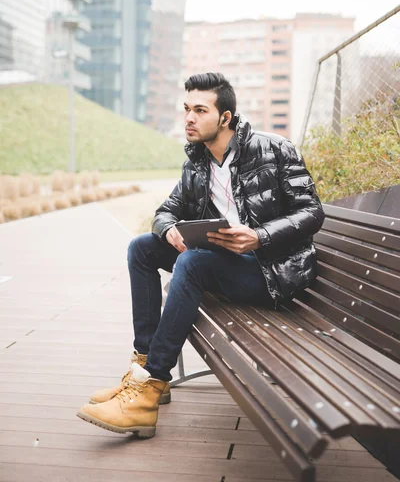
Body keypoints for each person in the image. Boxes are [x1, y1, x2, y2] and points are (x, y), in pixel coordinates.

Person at [77, 72, 325, 437]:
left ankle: (148, 390)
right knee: (142, 248)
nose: (189, 118)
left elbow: (313, 213)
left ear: (225, 117)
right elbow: (166, 209)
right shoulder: (197, 161)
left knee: (191, 263)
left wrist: (259, 236)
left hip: (274, 272)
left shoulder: (275, 149)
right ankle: (144, 372)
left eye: (199, 110)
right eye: (186, 109)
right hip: (228, 263)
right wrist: (169, 229)